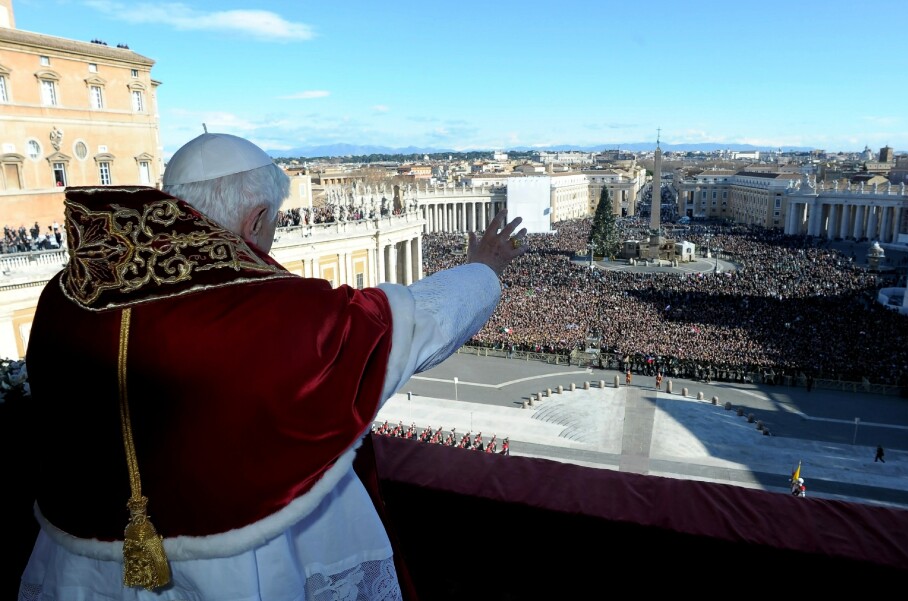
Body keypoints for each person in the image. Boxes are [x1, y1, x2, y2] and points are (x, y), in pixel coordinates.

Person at [19, 131, 529, 599]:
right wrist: (482, 268)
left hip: (82, 564)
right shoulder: (275, 312)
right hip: (240, 567)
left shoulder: (65, 297)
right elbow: (414, 326)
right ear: (255, 219)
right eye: (274, 226)